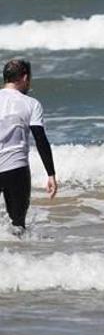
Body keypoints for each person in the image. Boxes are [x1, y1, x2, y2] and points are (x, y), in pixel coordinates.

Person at [0, 59, 57, 235]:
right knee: (18, 227)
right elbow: (40, 139)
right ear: (24, 77)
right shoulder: (31, 104)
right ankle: (17, 261)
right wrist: (51, 174)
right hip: (16, 170)